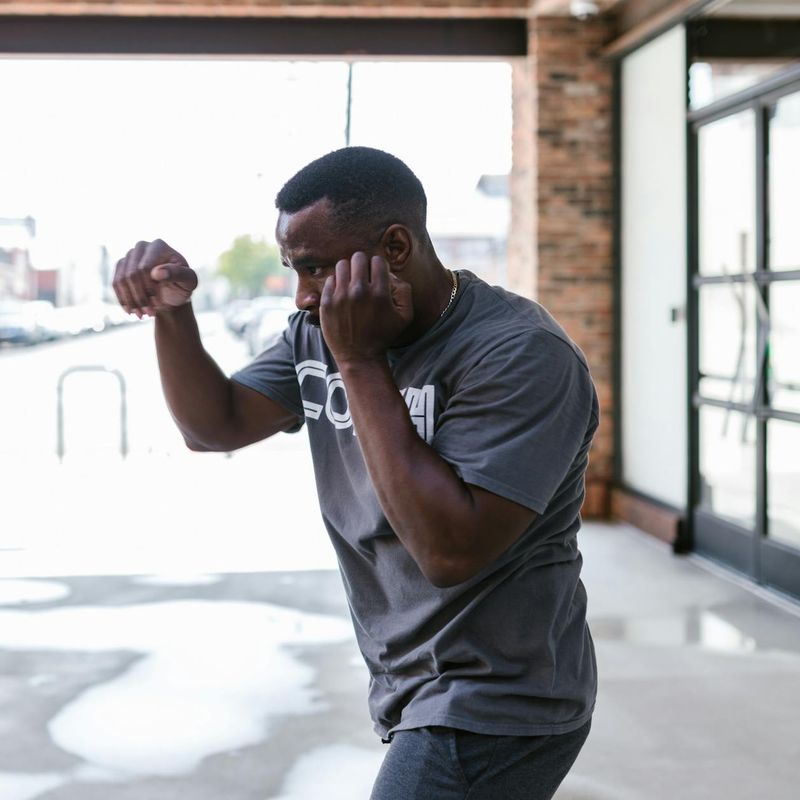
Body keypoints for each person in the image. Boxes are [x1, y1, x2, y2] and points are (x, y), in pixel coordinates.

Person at [113, 146, 599, 800]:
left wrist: (360, 363)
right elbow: (215, 426)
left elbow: (450, 551)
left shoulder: (519, 353)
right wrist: (173, 313)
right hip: (413, 685)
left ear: (395, 247)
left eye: (315, 268)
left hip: (501, 697)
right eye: (293, 268)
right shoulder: (319, 334)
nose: (303, 295)